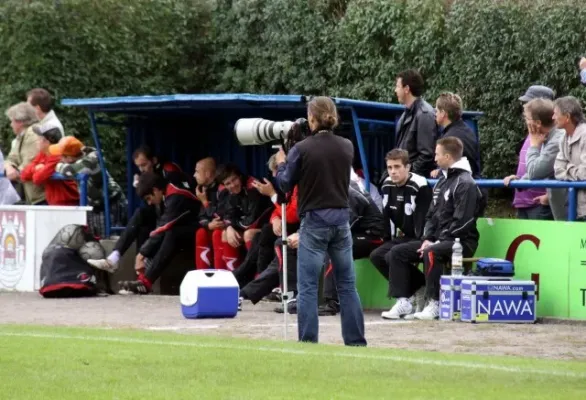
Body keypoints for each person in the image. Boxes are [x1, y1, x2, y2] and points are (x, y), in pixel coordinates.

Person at [275, 96, 366, 346]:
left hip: (314, 222)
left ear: (311, 118)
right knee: (347, 285)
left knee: (307, 287)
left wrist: (283, 162)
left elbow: (284, 184)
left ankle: (308, 340)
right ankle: (356, 341)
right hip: (341, 221)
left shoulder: (302, 149)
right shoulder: (347, 145)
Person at [385, 137, 484, 320]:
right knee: (396, 252)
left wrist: (437, 241)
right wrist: (427, 238)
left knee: (431, 252)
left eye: (437, 154)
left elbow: (463, 222)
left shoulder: (465, 183)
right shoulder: (441, 181)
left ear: (447, 156)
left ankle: (435, 302)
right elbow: (430, 216)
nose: (435, 158)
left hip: (461, 241)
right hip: (439, 240)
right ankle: (404, 301)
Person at [369, 149, 432, 319]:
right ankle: (418, 286)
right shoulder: (387, 185)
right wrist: (387, 240)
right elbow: (386, 217)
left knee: (395, 253)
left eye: (397, 167)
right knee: (377, 255)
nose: (393, 171)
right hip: (406, 237)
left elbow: (426, 219)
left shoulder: (420, 185)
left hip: (425, 238)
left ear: (408, 167)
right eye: (389, 167)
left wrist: (426, 240)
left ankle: (403, 300)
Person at [117, 172, 200, 294]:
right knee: (155, 234)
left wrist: (141, 254)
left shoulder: (176, 196)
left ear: (155, 190)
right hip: (185, 229)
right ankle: (142, 280)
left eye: (148, 198)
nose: (149, 202)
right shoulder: (167, 193)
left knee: (169, 233)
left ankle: (146, 282)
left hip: (200, 228)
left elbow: (163, 228)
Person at [319, 182, 386, 316]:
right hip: (356, 234)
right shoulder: (328, 189)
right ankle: (309, 299)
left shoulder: (347, 189)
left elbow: (345, 223)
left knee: (334, 248)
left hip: (373, 235)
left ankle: (332, 302)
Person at [52, 136, 127, 237]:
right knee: (95, 236)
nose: (59, 159)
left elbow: (68, 171)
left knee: (110, 237)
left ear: (69, 158)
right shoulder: (80, 159)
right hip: (97, 204)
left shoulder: (90, 160)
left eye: (62, 156)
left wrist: (57, 166)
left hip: (111, 204)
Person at [504, 85, 555, 220]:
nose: (525, 106)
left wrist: (550, 197)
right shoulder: (534, 133)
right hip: (523, 202)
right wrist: (518, 180)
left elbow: (543, 168)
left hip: (539, 203)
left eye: (529, 102)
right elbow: (531, 163)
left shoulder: (553, 137)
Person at [20, 123, 79, 206]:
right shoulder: (43, 153)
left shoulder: (57, 155)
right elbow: (24, 175)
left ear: (47, 142)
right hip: (55, 204)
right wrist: (36, 168)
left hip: (69, 204)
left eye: (39, 139)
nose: (37, 142)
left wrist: (38, 170)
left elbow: (37, 178)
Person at [394, 69, 438, 177]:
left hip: (415, 182)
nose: (395, 90)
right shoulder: (405, 114)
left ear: (407, 89)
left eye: (397, 86)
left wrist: (408, 176)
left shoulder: (425, 114)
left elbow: (427, 155)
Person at [431, 92, 481, 178]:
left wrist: (439, 172)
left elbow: (450, 168)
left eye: (436, 111)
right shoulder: (468, 130)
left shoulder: (449, 139)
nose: (435, 114)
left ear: (443, 113)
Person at [4, 102, 45, 205]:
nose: (11, 125)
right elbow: (11, 158)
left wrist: (15, 171)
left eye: (12, 121)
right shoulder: (22, 135)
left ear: (20, 122)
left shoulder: (33, 135)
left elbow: (29, 163)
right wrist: (9, 167)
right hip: (34, 194)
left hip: (41, 195)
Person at [554, 96, 586, 220]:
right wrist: (574, 171)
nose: (553, 118)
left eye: (555, 114)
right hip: (575, 208)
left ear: (567, 117)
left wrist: (567, 167)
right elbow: (557, 170)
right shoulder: (563, 138)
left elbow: (584, 174)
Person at [194, 157, 229, 269]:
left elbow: (220, 217)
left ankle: (220, 274)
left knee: (217, 233)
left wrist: (205, 202)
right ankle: (202, 275)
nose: (194, 175)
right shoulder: (204, 189)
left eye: (197, 171)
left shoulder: (222, 188)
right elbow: (201, 218)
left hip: (228, 228)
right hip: (213, 227)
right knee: (201, 232)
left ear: (208, 173)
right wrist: (208, 225)